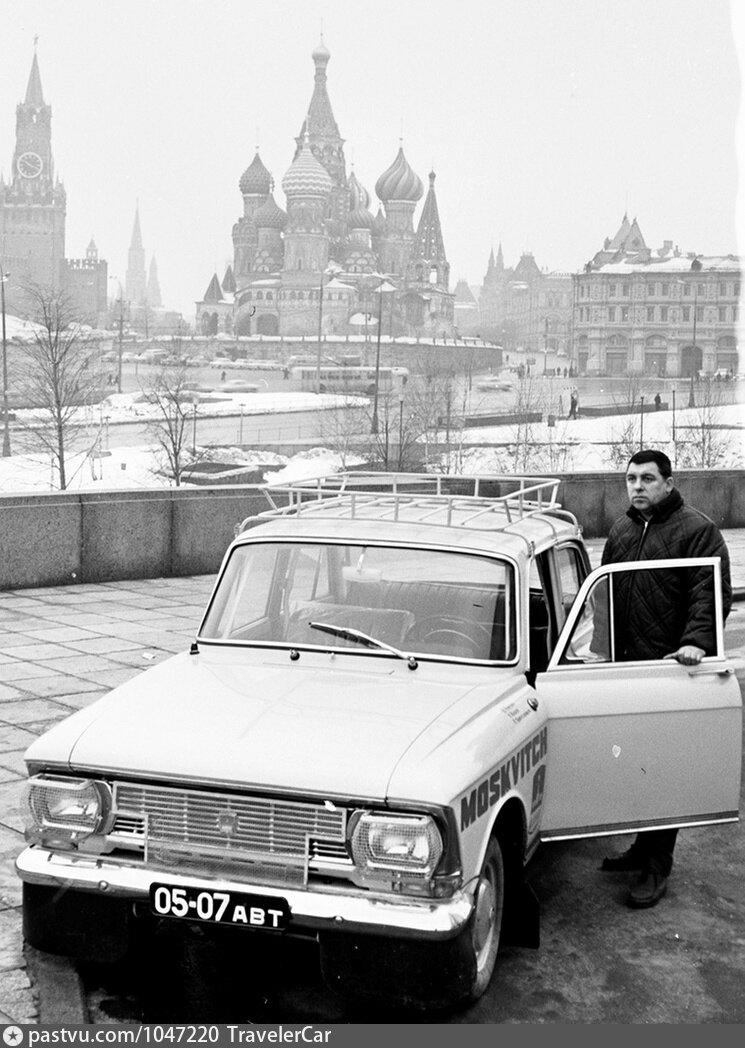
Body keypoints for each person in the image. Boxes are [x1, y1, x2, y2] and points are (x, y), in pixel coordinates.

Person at [599, 449, 732, 908]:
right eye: (631, 479)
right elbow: (605, 597)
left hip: (671, 671)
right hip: (628, 669)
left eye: (648, 478)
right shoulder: (621, 530)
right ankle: (642, 847)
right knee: (636, 766)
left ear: (669, 483)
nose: (637, 486)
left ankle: (658, 865)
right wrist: (599, 651)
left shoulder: (698, 530)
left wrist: (696, 642)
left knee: (664, 770)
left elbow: (709, 594)